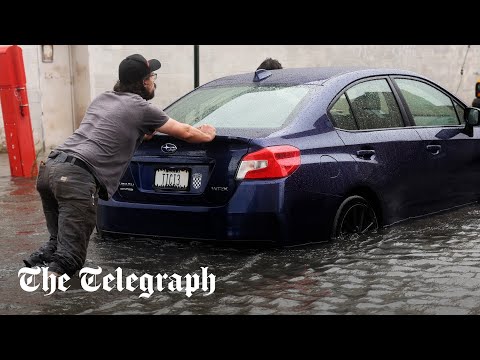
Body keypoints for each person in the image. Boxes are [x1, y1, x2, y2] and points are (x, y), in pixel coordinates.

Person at [23, 53, 216, 277]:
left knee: (55, 246)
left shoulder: (103, 98)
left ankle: (29, 279)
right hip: (76, 177)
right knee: (68, 260)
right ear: (144, 82)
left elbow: (110, 129)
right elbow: (185, 132)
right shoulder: (143, 108)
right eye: (152, 76)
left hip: (50, 169)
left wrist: (142, 134)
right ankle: (43, 301)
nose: (155, 80)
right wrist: (207, 135)